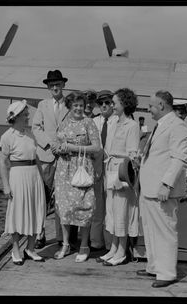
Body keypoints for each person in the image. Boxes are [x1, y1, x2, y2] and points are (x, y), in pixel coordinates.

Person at [137, 90, 187, 288]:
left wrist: (167, 184)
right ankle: (154, 267)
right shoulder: (160, 125)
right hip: (150, 189)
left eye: (150, 106)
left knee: (165, 231)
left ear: (161, 105)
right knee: (151, 231)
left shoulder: (177, 125)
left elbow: (180, 158)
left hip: (162, 190)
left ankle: (167, 273)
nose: (148, 109)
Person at [53, 91, 101, 262]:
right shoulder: (64, 123)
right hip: (63, 169)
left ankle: (84, 245)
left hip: (82, 168)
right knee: (64, 207)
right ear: (70, 107)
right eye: (76, 106)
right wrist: (59, 148)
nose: (79, 108)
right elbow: (56, 144)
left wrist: (73, 148)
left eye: (81, 105)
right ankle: (66, 244)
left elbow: (96, 148)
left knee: (84, 207)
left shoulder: (89, 123)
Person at [0, 100, 46, 265]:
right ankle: (16, 249)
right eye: (25, 114)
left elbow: (37, 159)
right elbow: (3, 163)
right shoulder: (7, 137)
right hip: (18, 177)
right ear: (17, 116)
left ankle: (31, 248)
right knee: (17, 213)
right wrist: (6, 186)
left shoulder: (30, 135)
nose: (28, 117)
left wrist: (42, 179)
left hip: (34, 176)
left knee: (35, 210)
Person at [97, 88, 140, 266]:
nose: (112, 106)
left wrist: (125, 176)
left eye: (114, 103)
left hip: (122, 171)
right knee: (112, 211)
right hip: (110, 169)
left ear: (124, 104)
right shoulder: (114, 122)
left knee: (122, 211)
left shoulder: (132, 126)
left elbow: (132, 154)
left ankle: (122, 250)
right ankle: (113, 247)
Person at [32, 70, 69, 249]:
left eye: (58, 84)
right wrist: (49, 144)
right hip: (46, 157)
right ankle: (40, 234)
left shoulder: (70, 105)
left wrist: (62, 146)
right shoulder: (42, 105)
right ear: (48, 87)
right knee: (43, 197)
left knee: (62, 197)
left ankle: (63, 237)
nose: (55, 87)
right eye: (51, 85)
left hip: (64, 157)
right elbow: (36, 127)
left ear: (63, 85)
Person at [91, 90, 118, 251]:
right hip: (96, 168)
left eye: (107, 102)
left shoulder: (118, 121)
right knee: (96, 206)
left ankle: (110, 243)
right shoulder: (94, 122)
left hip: (111, 168)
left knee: (111, 207)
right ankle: (95, 241)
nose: (104, 106)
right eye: (100, 103)